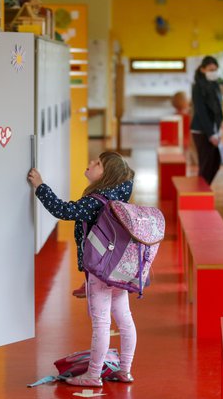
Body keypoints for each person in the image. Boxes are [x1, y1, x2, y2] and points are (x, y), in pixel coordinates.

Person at [27, 151, 137, 387]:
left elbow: (63, 210)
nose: (90, 163)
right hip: (118, 270)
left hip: (99, 272)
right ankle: (125, 370)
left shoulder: (95, 202)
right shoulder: (120, 194)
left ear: (106, 175)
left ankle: (93, 375)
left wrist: (39, 186)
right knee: (125, 319)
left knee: (101, 324)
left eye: (97, 163)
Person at [190, 56, 223, 184]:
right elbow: (201, 112)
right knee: (206, 164)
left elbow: (218, 108)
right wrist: (211, 134)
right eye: (211, 69)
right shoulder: (198, 87)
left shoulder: (214, 85)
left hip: (213, 129)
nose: (213, 72)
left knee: (215, 162)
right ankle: (201, 193)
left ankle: (205, 189)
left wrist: (218, 129)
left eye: (215, 69)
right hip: (201, 130)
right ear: (203, 69)